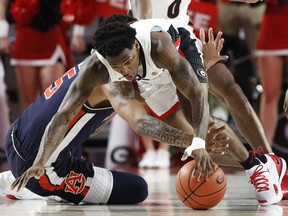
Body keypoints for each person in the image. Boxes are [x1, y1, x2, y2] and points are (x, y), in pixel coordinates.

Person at [6, 14, 225, 204]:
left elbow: (163, 89)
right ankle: (34, 187)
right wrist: (189, 142)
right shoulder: (113, 81)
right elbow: (141, 123)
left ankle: (15, 176)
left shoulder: (95, 67)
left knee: (77, 140)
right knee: (137, 188)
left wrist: (201, 67)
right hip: (42, 165)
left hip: (16, 137)